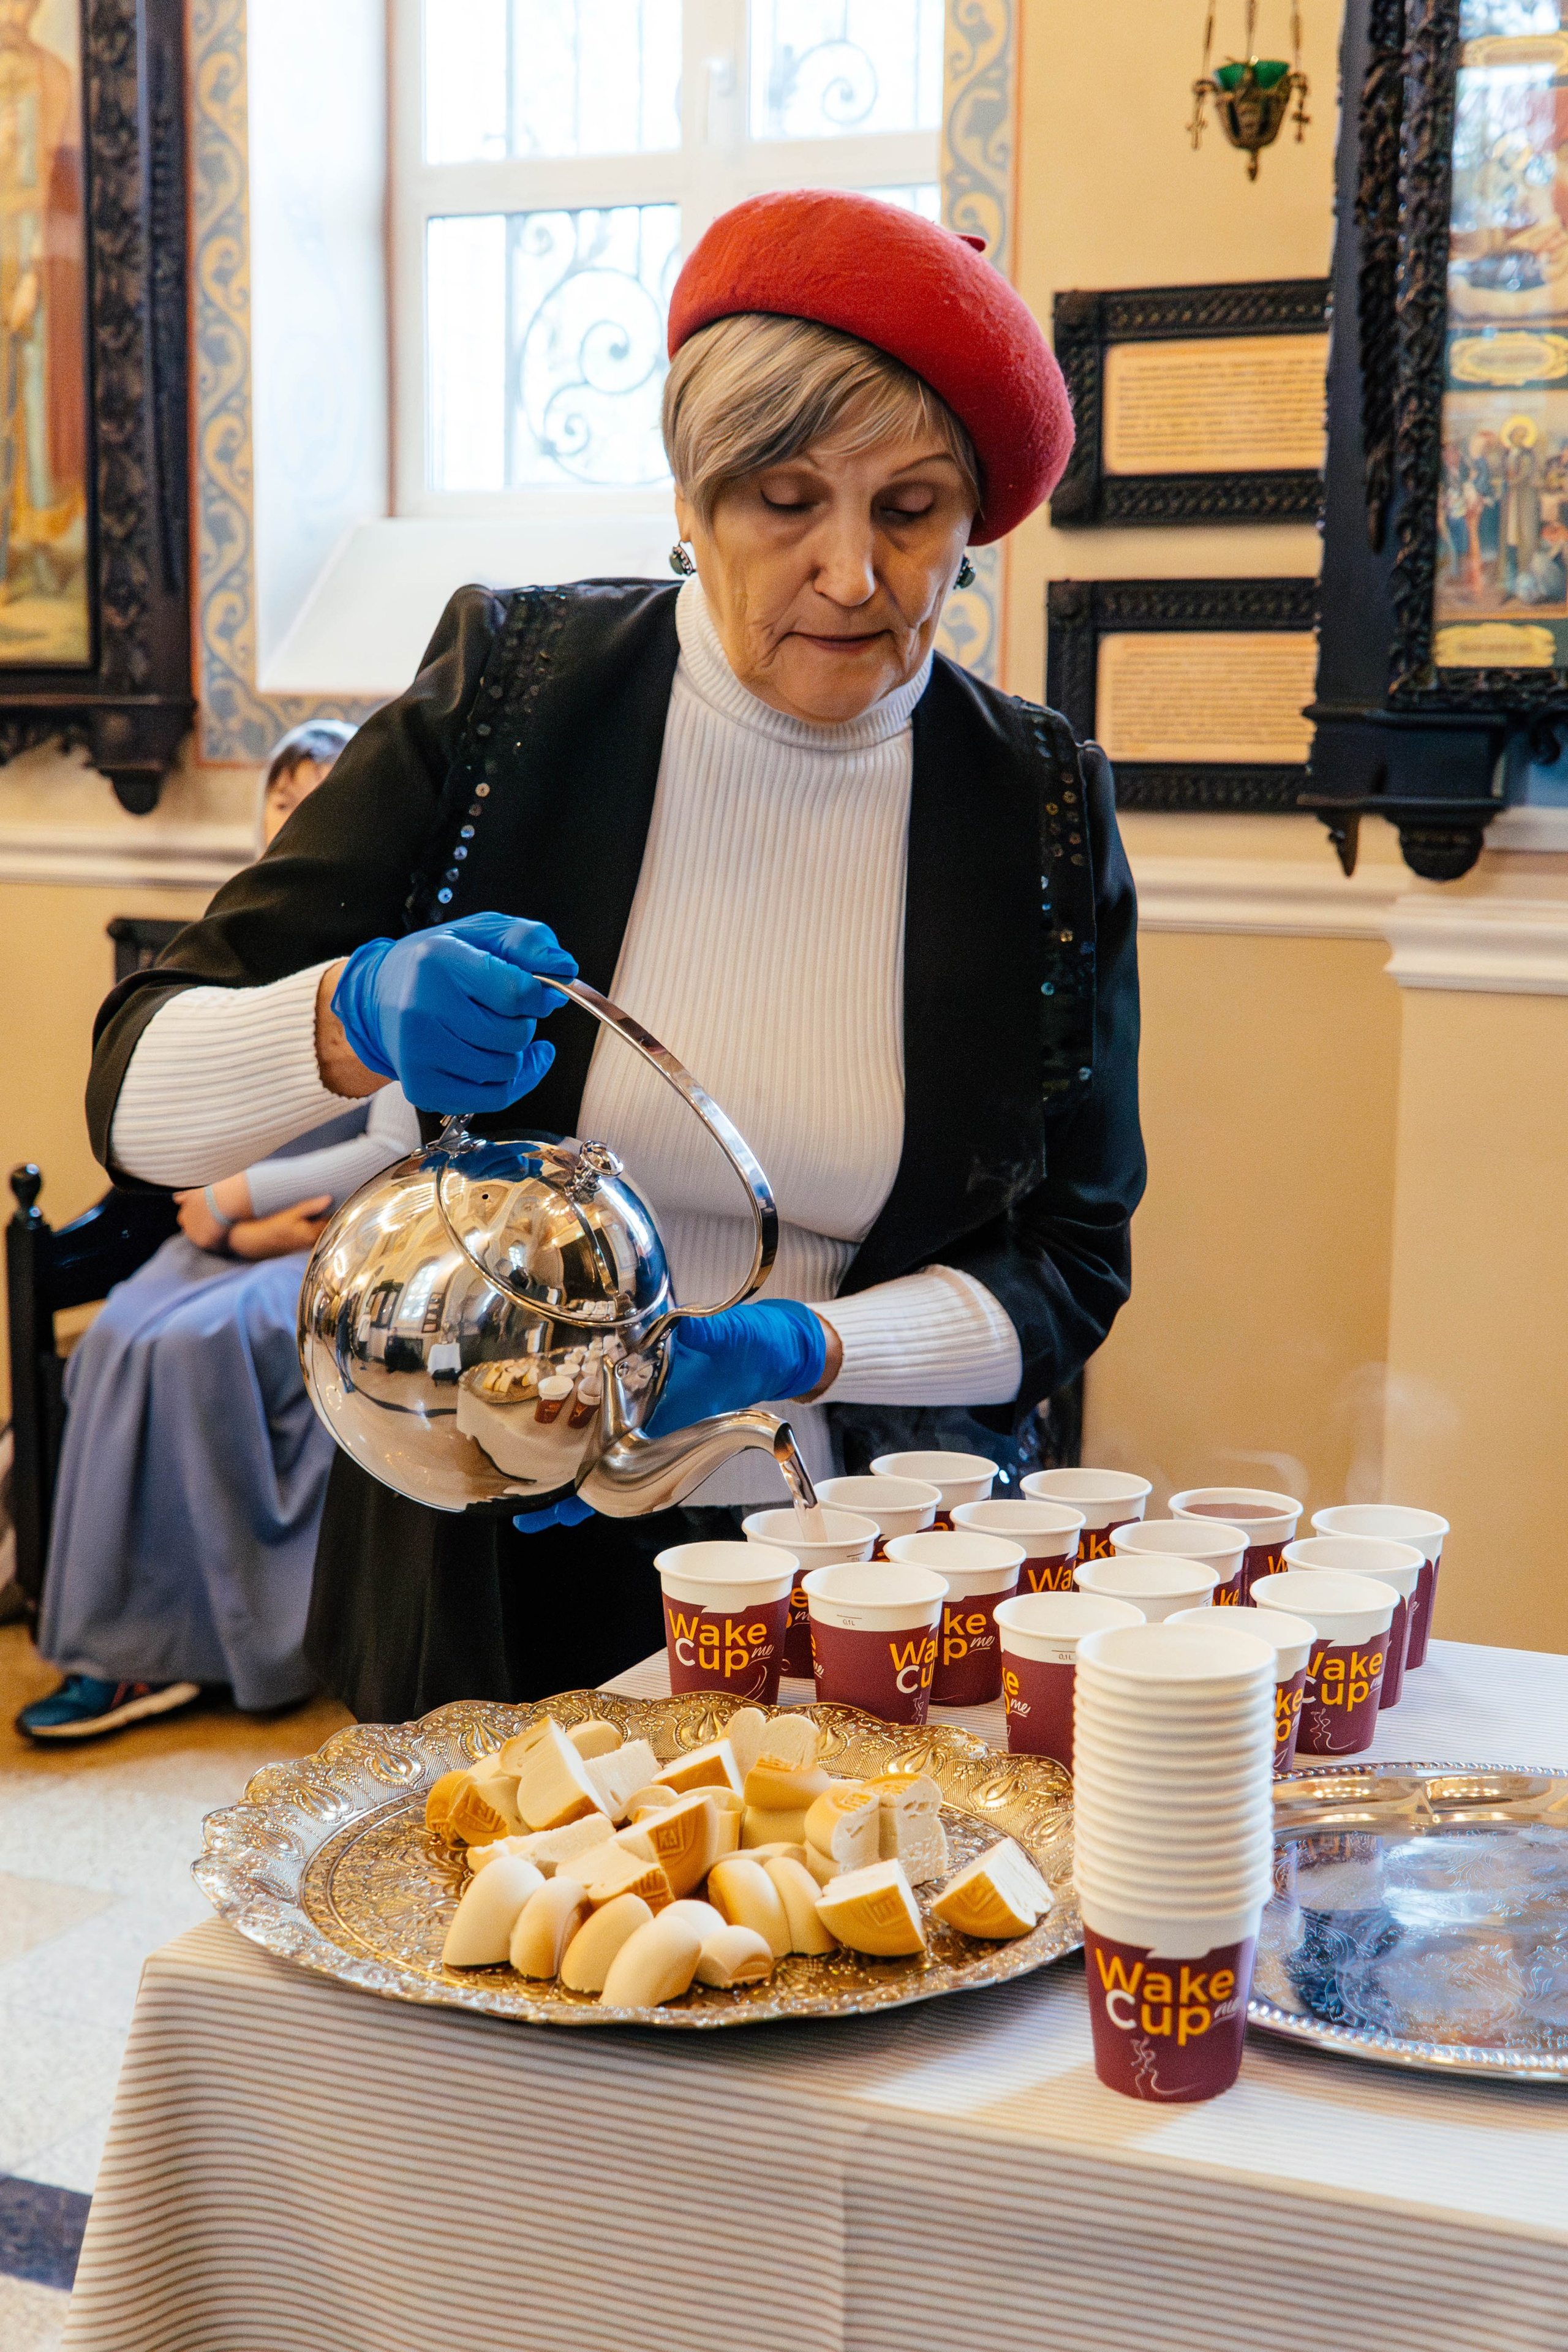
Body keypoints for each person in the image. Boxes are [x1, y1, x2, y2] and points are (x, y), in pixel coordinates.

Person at [85, 191, 1146, 1723]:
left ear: (969, 526)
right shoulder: (516, 700)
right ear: (691, 501)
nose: (853, 573)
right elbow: (136, 1108)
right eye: (784, 500)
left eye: (908, 512)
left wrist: (801, 1347)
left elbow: (1069, 1262)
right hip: (489, 1551)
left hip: (866, 1571)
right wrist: (351, 1014)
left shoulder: (1033, 805)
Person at [20, 723, 420, 1741]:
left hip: (347, 1238)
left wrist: (240, 1203)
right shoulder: (239, 949)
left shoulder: (402, 949)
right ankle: (113, 1646)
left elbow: (382, 1144)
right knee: (120, 1333)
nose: (300, 819)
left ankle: (226, 1641)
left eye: (322, 801)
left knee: (199, 1346)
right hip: (228, 1235)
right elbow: (178, 1124)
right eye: (284, 802)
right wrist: (229, 1225)